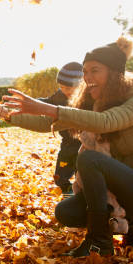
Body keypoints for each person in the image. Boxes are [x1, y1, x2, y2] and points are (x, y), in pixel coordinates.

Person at [0, 36, 133, 256]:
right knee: (66, 211)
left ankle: (99, 241)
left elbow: (106, 121)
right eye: (85, 72)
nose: (87, 78)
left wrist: (48, 108)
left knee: (89, 159)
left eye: (95, 70)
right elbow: (47, 122)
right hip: (122, 193)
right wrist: (3, 113)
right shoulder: (94, 104)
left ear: (115, 73)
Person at [39, 62, 84, 196]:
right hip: (67, 145)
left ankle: (81, 197)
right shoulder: (59, 97)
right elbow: (46, 102)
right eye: (62, 87)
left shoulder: (86, 99)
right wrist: (30, 102)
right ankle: (67, 193)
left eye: (71, 88)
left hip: (85, 145)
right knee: (60, 175)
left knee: (83, 176)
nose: (66, 91)